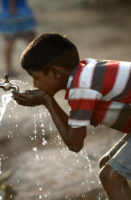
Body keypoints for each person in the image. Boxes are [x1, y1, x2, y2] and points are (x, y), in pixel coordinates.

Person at [12, 32, 131, 200]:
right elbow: (75, 130)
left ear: (55, 73)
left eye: (36, 78)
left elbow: (75, 143)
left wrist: (47, 101)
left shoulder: (82, 86)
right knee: (107, 165)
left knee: (111, 176)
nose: (34, 85)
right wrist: (48, 100)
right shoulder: (85, 73)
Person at [0, 0, 37, 76]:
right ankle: (35, 66)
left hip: (9, 15)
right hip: (19, 13)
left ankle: (9, 68)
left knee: (12, 43)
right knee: (30, 43)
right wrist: (12, 5)